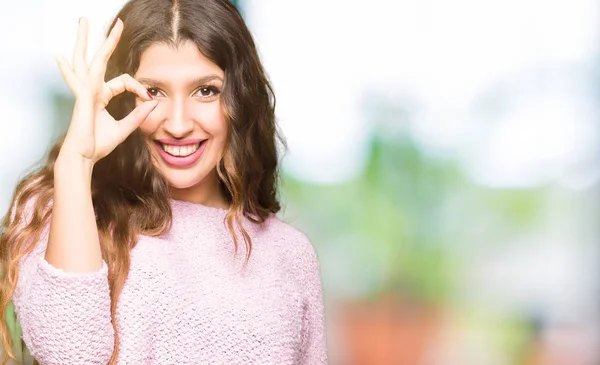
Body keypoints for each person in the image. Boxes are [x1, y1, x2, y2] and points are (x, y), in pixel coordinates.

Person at [0, 0, 327, 364]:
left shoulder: (289, 254)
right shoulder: (65, 211)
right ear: (122, 96)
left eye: (206, 90)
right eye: (153, 92)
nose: (177, 124)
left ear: (240, 97)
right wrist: (76, 162)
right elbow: (69, 355)